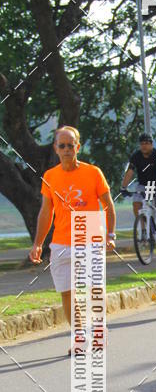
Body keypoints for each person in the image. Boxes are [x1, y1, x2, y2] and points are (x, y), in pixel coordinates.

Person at [29, 126, 116, 353]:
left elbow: (108, 206)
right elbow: (46, 212)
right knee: (67, 292)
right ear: (56, 149)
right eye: (62, 146)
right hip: (60, 242)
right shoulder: (50, 176)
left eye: (71, 145)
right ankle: (79, 337)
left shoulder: (93, 172)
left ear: (78, 147)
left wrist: (110, 235)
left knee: (93, 289)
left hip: (90, 235)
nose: (67, 149)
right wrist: (38, 243)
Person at [121, 133, 156, 238]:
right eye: (142, 143)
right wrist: (123, 187)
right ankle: (144, 230)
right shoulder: (136, 156)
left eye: (147, 143)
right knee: (136, 205)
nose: (144, 146)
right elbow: (129, 172)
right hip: (143, 184)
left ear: (151, 144)